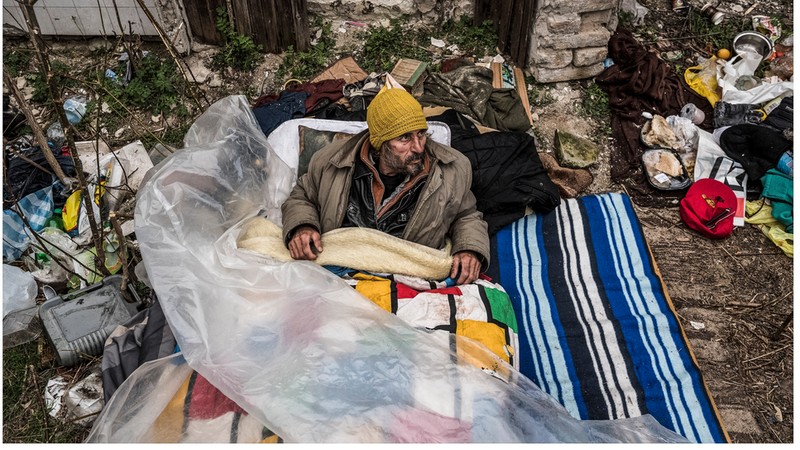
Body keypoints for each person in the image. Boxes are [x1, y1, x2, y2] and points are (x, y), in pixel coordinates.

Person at [281, 87, 489, 285]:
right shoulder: (330, 161)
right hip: (341, 270)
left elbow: (466, 215)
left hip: (408, 276)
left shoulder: (452, 169)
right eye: (405, 138)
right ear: (379, 143)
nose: (418, 147)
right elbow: (302, 196)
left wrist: (469, 248)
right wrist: (303, 226)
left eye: (421, 134)